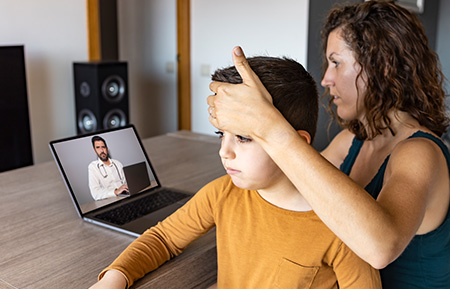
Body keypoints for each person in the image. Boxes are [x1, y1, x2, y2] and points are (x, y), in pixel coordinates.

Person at [207, 1, 450, 289]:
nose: (326, 79)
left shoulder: (420, 152)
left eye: (336, 62)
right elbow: (297, 185)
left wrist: (269, 125)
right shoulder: (351, 140)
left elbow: (380, 248)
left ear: (382, 66)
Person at [89, 56, 381, 289]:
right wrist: (117, 276)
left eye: (243, 137)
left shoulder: (343, 227)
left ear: (295, 144)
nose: (224, 151)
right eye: (221, 134)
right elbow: (163, 239)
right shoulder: (222, 194)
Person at [88, 136, 129, 201]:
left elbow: (126, 183)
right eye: (98, 148)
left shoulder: (118, 164)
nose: (101, 150)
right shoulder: (93, 167)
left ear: (107, 149)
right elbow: (95, 194)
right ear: (95, 151)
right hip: (110, 201)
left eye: (103, 147)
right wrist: (115, 192)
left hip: (126, 197)